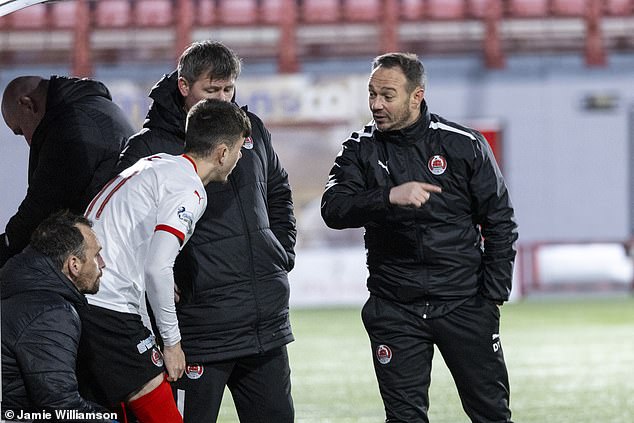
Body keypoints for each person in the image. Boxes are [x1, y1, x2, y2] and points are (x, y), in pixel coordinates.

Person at [321, 52, 519, 423]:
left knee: (490, 412)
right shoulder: (359, 148)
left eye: (387, 95)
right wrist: (388, 196)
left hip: (463, 303)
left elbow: (499, 221)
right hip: (395, 307)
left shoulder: (463, 145)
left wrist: (492, 295)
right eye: (372, 94)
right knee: (404, 417)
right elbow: (332, 209)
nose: (377, 104)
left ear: (417, 96)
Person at [115, 40, 297, 422]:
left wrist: (280, 251)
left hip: (263, 322)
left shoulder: (251, 131)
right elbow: (121, 231)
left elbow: (279, 191)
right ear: (184, 86)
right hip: (198, 328)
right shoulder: (147, 149)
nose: (224, 98)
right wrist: (165, 277)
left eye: (228, 89)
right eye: (211, 90)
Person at [78, 98, 250, 423]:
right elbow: (157, 267)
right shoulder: (191, 192)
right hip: (109, 311)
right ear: (223, 153)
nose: (241, 157)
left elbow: (139, 258)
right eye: (240, 149)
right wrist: (172, 343)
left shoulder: (157, 163)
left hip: (84, 301)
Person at [0, 75, 134, 268]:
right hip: (118, 248)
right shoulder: (96, 108)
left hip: (104, 262)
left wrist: (6, 245)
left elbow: (41, 211)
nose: (28, 141)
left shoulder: (72, 126)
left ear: (27, 104)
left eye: (20, 130)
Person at [1, 211, 114, 422]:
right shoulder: (50, 312)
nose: (102, 264)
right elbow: (62, 408)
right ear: (74, 264)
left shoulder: (20, 290)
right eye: (96, 255)